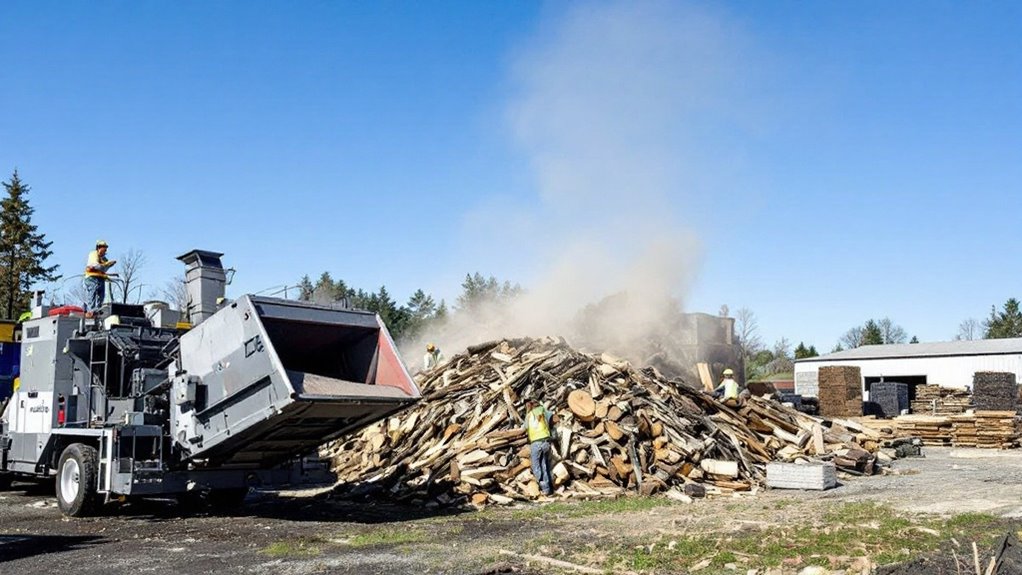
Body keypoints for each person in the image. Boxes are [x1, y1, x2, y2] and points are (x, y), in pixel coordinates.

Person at [523, 398, 555, 496]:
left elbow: (525, 428)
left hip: (536, 443)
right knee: (544, 465)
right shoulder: (544, 411)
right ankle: (547, 490)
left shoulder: (529, 415)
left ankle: (541, 486)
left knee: (536, 466)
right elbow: (553, 417)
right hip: (546, 442)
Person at [84, 240, 116, 317]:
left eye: (105, 250)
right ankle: (91, 310)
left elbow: (103, 269)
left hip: (100, 279)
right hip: (92, 278)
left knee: (101, 295)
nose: (105, 251)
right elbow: (96, 265)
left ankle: (98, 310)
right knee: (93, 292)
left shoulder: (103, 259)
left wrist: (109, 265)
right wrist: (106, 264)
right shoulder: (94, 254)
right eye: (104, 249)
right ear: (99, 248)